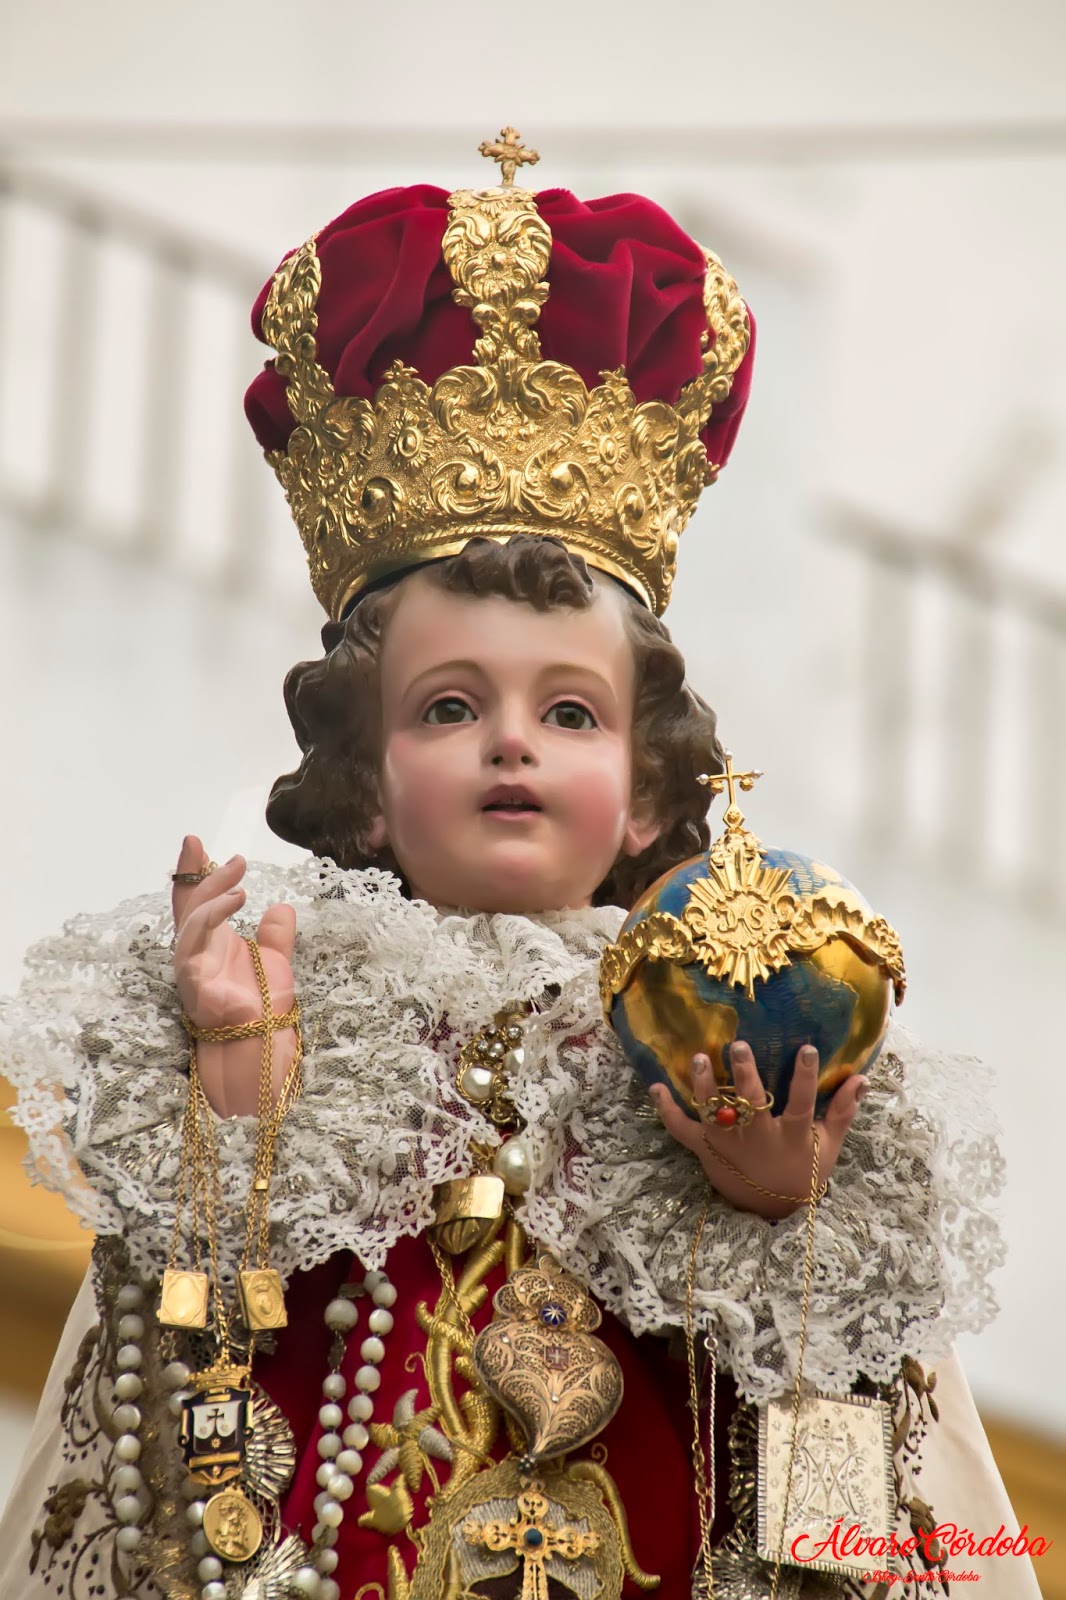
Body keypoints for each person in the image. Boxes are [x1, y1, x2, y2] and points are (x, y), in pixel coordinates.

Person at [0, 135, 1037, 1600]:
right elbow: (151, 1498)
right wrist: (235, 1139)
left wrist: (783, 1226)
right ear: (362, 789)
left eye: (568, 711)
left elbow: (854, 1530)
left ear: (644, 793)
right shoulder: (284, 1024)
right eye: (447, 708)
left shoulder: (724, 1024)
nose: (511, 745)